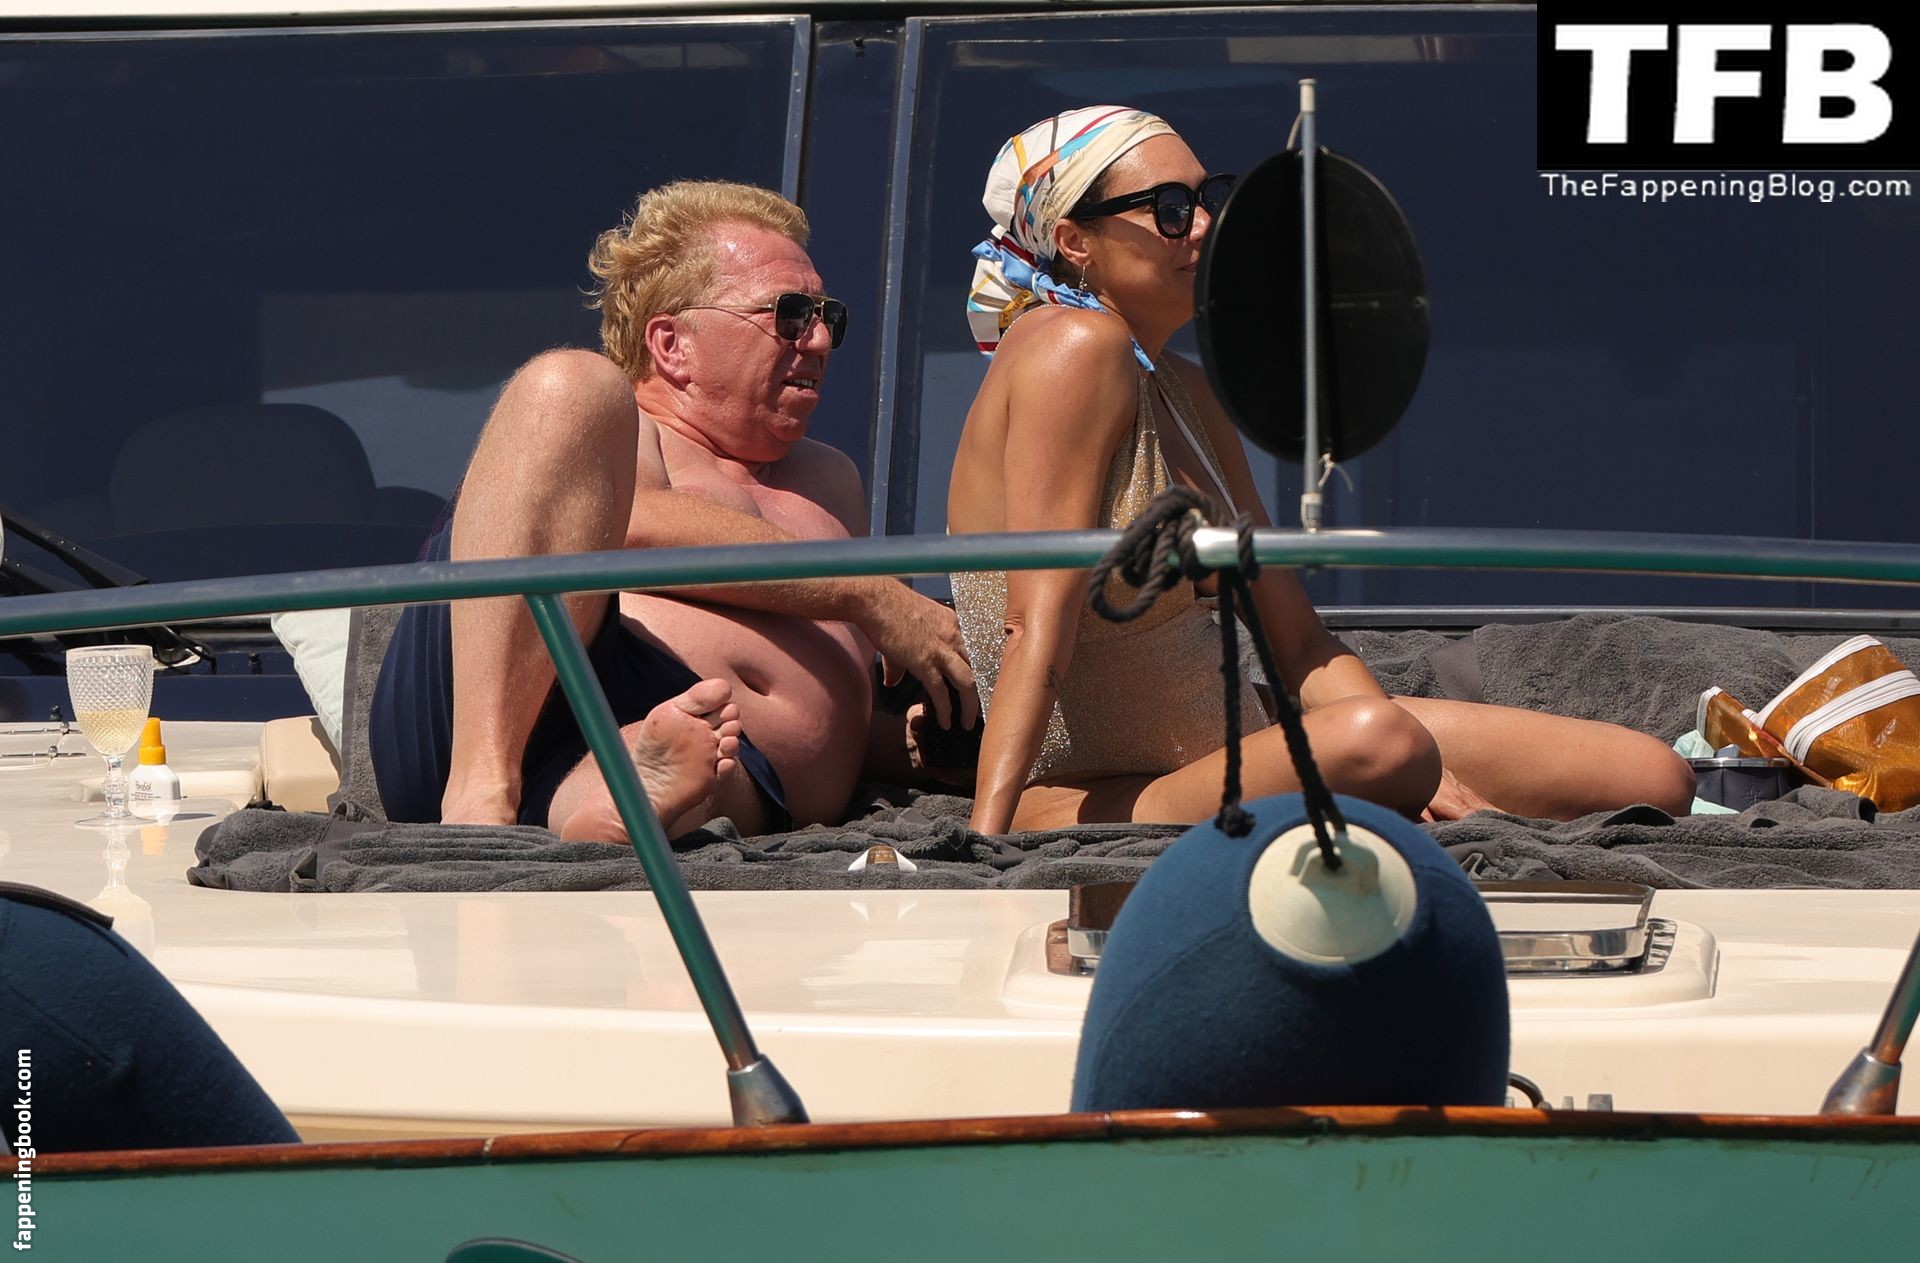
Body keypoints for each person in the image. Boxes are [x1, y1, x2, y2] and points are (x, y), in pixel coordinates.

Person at [948, 106, 1695, 835]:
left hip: (1235, 750)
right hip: (1096, 792)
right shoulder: (1068, 346)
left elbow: (1299, 644)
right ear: (1074, 240)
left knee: (1653, 775)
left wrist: (1421, 770)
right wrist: (986, 841)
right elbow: (1032, 622)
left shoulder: (1187, 389)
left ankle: (1377, 767)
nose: (1204, 225)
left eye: (1209, 198)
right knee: (1383, 742)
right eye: (1169, 209)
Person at [370, 180, 976, 843]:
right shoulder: (627, 436)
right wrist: (865, 591)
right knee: (569, 382)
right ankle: (481, 794)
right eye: (791, 314)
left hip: (697, 758)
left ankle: (618, 798)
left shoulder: (832, 479)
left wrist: (907, 741)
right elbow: (622, 528)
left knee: (697, 754)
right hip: (503, 701)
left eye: (830, 316)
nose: (822, 339)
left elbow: (829, 689)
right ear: (671, 344)